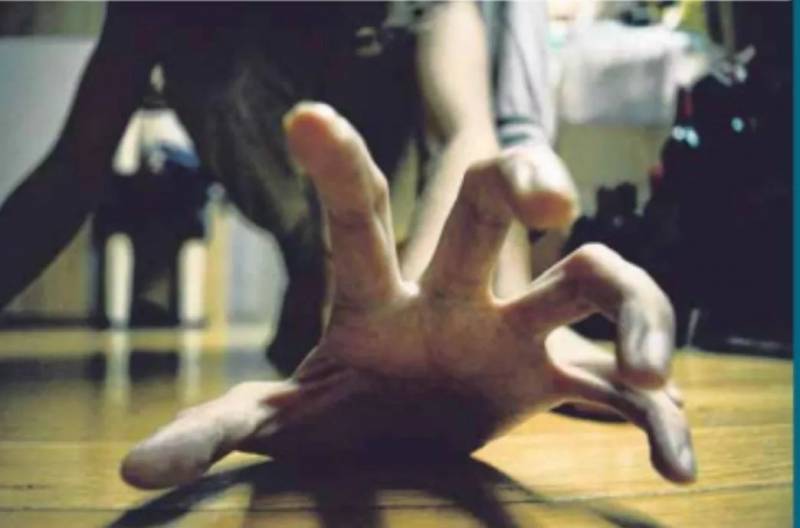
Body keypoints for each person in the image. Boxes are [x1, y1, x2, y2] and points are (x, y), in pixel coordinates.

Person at [0, 2, 694, 488]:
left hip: (406, 192)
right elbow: (71, 170)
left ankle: (426, 286)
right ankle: (326, 275)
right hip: (300, 197)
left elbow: (467, 130)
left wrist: (434, 316)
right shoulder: (171, 19)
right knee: (218, 66)